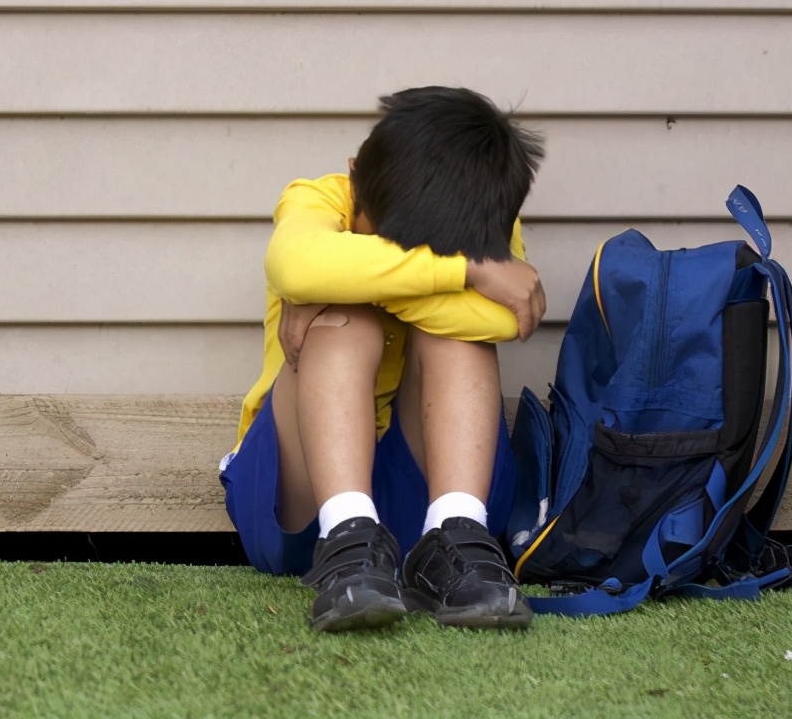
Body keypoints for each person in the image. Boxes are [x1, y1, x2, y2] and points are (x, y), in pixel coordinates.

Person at [219, 86, 546, 632]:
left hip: (440, 500)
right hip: (303, 505)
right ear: (354, 176)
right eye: (383, 245)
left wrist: (349, 279)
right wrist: (462, 273)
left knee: (457, 338)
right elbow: (295, 265)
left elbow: (508, 320)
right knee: (348, 324)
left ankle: (457, 533)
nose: (397, 259)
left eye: (421, 253)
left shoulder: (479, 210)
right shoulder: (323, 198)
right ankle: (348, 536)